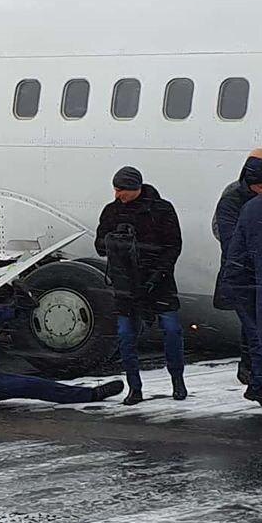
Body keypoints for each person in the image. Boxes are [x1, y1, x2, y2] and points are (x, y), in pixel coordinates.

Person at [95, 166, 185, 405]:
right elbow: (99, 245)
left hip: (159, 282)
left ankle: (178, 381)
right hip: (125, 284)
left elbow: (173, 246)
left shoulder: (161, 209)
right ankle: (134, 387)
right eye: (115, 189)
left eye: (122, 190)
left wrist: (157, 275)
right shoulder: (111, 212)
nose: (117, 195)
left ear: (136, 188)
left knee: (172, 331)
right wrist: (113, 241)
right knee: (125, 336)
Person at [212, 149, 262, 386]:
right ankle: (256, 378)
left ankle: (257, 379)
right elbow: (230, 241)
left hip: (254, 276)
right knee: (255, 332)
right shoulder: (235, 200)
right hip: (248, 277)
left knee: (256, 332)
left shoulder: (251, 201)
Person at [221, 188, 262, 407]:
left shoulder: (252, 208)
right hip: (257, 290)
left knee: (260, 341)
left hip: (256, 292)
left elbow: (235, 257)